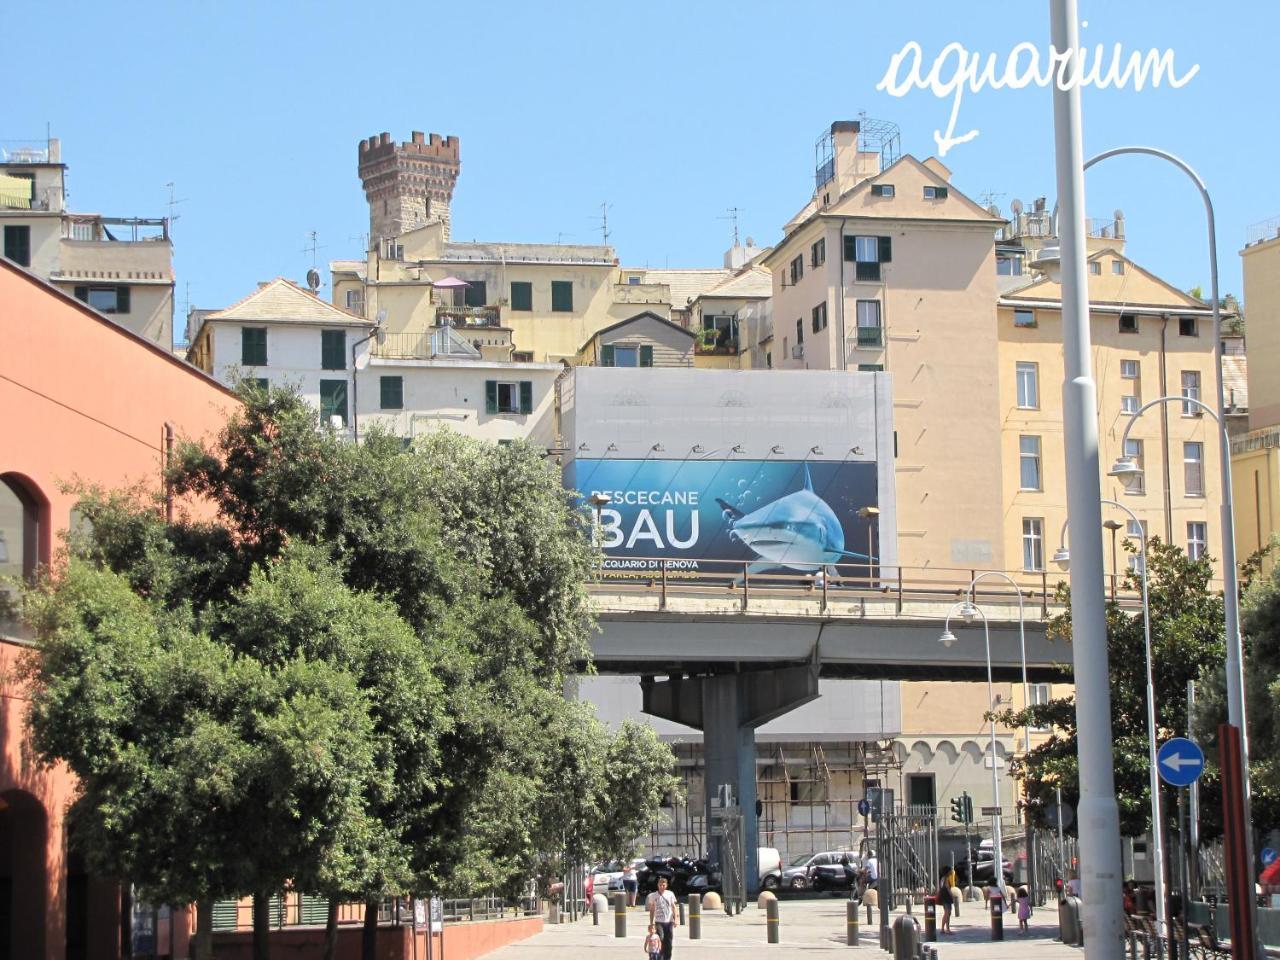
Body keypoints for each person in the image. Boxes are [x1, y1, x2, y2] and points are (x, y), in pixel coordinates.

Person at [647, 875, 679, 960]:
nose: (662, 887)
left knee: (669, 940)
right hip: (659, 921)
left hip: (669, 921)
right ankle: (659, 956)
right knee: (660, 937)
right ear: (658, 885)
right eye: (660, 885)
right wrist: (651, 922)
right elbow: (652, 909)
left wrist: (675, 919)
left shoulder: (670, 894)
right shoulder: (653, 896)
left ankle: (667, 957)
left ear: (666, 885)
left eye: (663, 885)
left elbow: (674, 907)